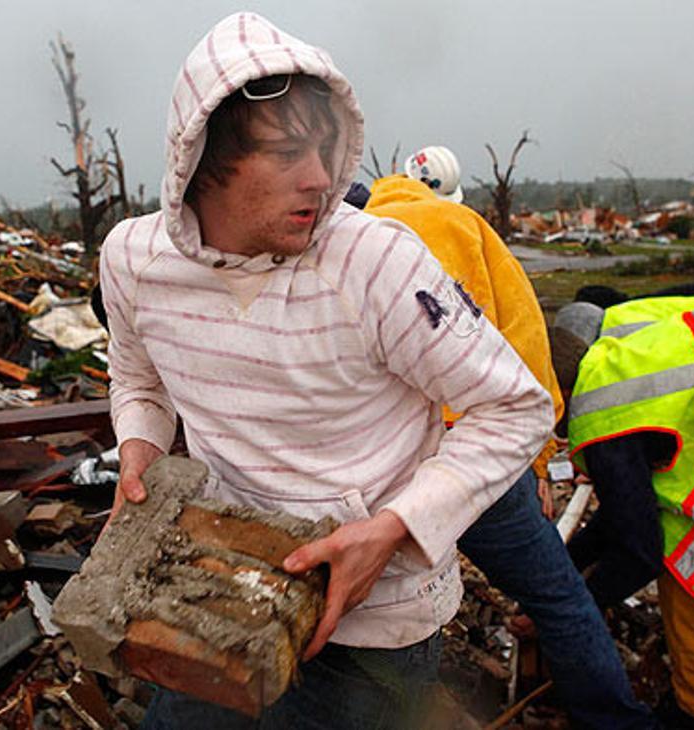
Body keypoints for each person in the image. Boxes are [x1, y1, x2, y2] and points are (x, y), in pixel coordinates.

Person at [100, 13, 554, 728]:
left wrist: (397, 527)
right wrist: (140, 443)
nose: (320, 179)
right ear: (202, 159)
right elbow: (137, 378)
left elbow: (517, 407)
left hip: (377, 627)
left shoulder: (378, 262)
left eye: (325, 149)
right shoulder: (135, 261)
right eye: (285, 154)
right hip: (223, 585)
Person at [360, 148, 656, 728]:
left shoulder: (353, 234)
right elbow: (523, 346)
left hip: (387, 458)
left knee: (383, 612)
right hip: (474, 448)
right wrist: (539, 460)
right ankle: (616, 721)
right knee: (558, 599)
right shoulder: (467, 228)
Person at [552, 299, 694, 728]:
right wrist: (563, 568)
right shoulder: (630, 329)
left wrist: (569, 612)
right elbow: (624, 511)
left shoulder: (600, 401)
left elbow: (639, 551)